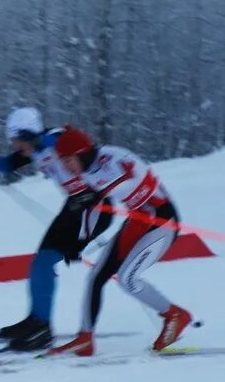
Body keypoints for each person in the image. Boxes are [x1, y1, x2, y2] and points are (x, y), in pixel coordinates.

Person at [0, 107, 112, 350]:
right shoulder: (35, 146)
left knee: (43, 262)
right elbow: (10, 163)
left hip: (93, 209)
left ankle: (42, 329)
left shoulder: (54, 141)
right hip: (74, 207)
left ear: (28, 134)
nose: (14, 146)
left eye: (16, 140)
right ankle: (36, 320)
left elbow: (94, 159)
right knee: (40, 263)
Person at [44, 128, 193, 356]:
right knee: (96, 276)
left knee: (127, 278)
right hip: (138, 220)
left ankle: (174, 315)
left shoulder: (113, 157)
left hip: (162, 220)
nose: (65, 167)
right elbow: (93, 208)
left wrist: (100, 193)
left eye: (67, 160)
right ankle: (85, 338)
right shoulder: (87, 172)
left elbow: (136, 181)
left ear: (81, 153)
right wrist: (81, 242)